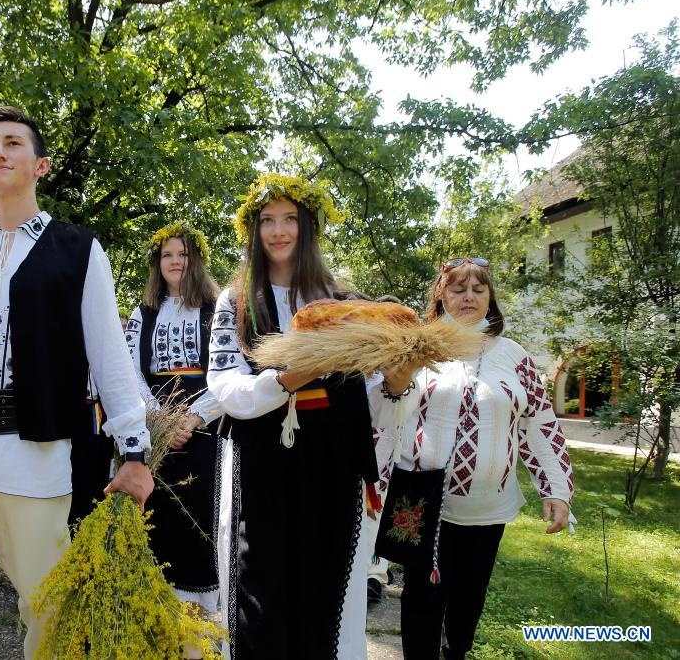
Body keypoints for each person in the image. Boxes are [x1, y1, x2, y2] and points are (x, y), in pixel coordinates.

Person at [0, 106, 154, 660]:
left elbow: (108, 351)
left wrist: (134, 450)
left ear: (40, 165)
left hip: (34, 452)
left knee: (47, 602)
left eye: (12, 143)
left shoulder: (77, 249)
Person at [208, 173, 389, 660]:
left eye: (289, 219)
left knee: (322, 587)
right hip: (262, 459)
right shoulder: (236, 301)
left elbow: (370, 389)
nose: (278, 231)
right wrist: (289, 379)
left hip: (331, 460)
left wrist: (399, 373)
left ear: (308, 227)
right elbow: (226, 387)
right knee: (260, 590)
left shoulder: (342, 300)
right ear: (253, 230)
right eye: (267, 220)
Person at [377, 257, 575, 660]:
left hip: (487, 508)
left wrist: (555, 489)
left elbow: (538, 424)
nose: (468, 296)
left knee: (467, 606)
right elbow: (386, 410)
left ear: (490, 297)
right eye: (458, 289)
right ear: (441, 296)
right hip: (424, 503)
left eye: (478, 289)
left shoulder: (514, 356)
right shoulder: (417, 347)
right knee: (422, 602)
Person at [123, 221, 223, 623]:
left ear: (196, 260)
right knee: (159, 520)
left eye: (183, 254)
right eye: (168, 255)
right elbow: (130, 372)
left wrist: (193, 417)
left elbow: (226, 371)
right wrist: (158, 416)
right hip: (156, 430)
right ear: (158, 263)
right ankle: (158, 619)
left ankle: (198, 624)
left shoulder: (217, 310)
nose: (176, 261)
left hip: (205, 430)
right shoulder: (143, 313)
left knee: (199, 522)